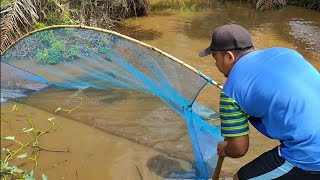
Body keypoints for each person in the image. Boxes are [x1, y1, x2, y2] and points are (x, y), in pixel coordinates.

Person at [199, 24, 320, 180]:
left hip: (309, 154)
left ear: (229, 56)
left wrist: (225, 149)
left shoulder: (232, 90)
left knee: (241, 177)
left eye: (215, 58)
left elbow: (239, 148)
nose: (216, 65)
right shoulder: (287, 53)